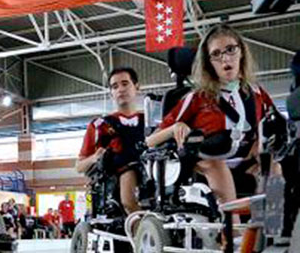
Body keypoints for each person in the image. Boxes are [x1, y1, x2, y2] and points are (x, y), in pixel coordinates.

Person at [146, 24, 280, 204]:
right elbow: (150, 141)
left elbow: (277, 125)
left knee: (271, 160)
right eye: (216, 54)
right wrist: (175, 128)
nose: (225, 58)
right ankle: (231, 226)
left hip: (246, 162)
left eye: (231, 50)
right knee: (217, 166)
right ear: (209, 63)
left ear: (241, 53)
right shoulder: (196, 97)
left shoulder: (257, 93)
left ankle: (271, 223)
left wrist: (263, 142)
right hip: (207, 162)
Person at [75, 67, 145, 213]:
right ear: (111, 93)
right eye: (115, 86)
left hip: (153, 170)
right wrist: (95, 157)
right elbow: (79, 166)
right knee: (129, 174)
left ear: (136, 87)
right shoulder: (100, 125)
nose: (120, 89)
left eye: (125, 84)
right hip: (118, 177)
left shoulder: (151, 121)